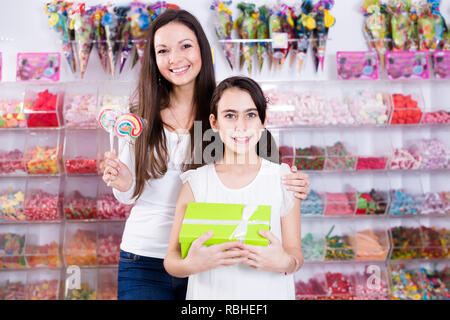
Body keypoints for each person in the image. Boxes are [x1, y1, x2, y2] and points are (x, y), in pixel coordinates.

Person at [102, 9, 310, 300]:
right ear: (154, 59)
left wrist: (295, 183)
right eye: (163, 50)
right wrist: (124, 184)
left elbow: (264, 173)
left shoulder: (226, 108)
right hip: (144, 257)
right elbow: (128, 193)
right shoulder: (141, 118)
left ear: (202, 48)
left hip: (213, 256)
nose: (175, 59)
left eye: (185, 46)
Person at [164, 76, 303, 300]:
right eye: (230, 115)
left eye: (251, 114)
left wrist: (284, 262)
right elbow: (171, 260)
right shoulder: (196, 183)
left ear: (263, 120)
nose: (241, 126)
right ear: (214, 123)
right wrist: (191, 264)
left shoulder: (284, 179)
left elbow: (295, 253)